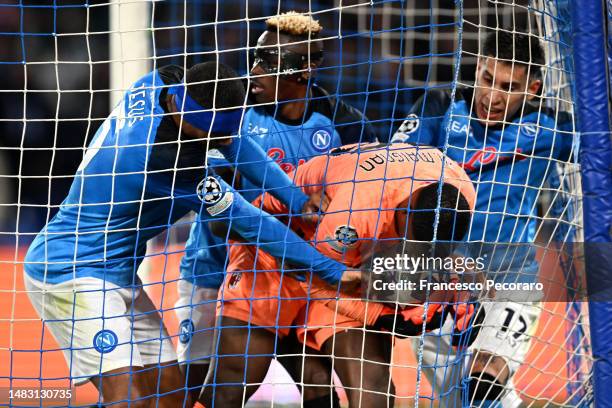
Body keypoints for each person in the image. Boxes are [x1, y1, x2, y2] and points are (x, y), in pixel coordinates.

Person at [23, 61, 351, 407]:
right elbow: (252, 224)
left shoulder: (160, 83)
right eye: (218, 136)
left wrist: (298, 202)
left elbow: (233, 143)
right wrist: (335, 272)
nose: (226, 141)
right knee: (130, 400)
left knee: (173, 398)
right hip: (72, 271)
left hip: (119, 272)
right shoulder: (165, 161)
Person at [174, 12, 375, 404]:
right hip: (214, 272)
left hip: (299, 278)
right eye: (256, 55)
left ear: (305, 69)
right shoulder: (231, 116)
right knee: (195, 384)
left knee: (317, 382)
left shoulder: (345, 125)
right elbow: (219, 223)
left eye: (269, 61)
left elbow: (366, 198)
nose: (254, 70)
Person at [201, 142, 477, 407]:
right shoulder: (357, 211)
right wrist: (381, 317)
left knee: (372, 385)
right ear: (403, 211)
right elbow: (315, 278)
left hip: (348, 261)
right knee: (233, 383)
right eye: (412, 243)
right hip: (276, 249)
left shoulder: (461, 193)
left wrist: (463, 294)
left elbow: (443, 254)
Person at [391, 29, 574, 407]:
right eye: (488, 79)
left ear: (534, 89)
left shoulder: (551, 128)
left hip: (511, 274)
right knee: (461, 399)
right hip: (439, 275)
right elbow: (393, 176)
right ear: (477, 70)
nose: (492, 96)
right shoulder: (439, 107)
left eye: (509, 86)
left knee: (485, 378)